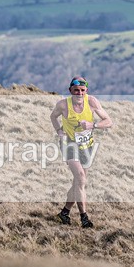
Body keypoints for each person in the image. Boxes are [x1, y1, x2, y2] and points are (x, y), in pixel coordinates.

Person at [50, 76, 113, 228]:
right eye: (76, 90)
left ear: (86, 91)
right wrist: (59, 130)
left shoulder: (92, 102)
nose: (79, 94)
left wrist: (93, 125)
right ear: (70, 90)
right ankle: (84, 217)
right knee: (81, 178)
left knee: (78, 182)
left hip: (87, 146)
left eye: (82, 91)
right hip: (69, 144)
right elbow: (53, 116)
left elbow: (109, 121)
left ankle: (64, 213)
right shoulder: (63, 105)